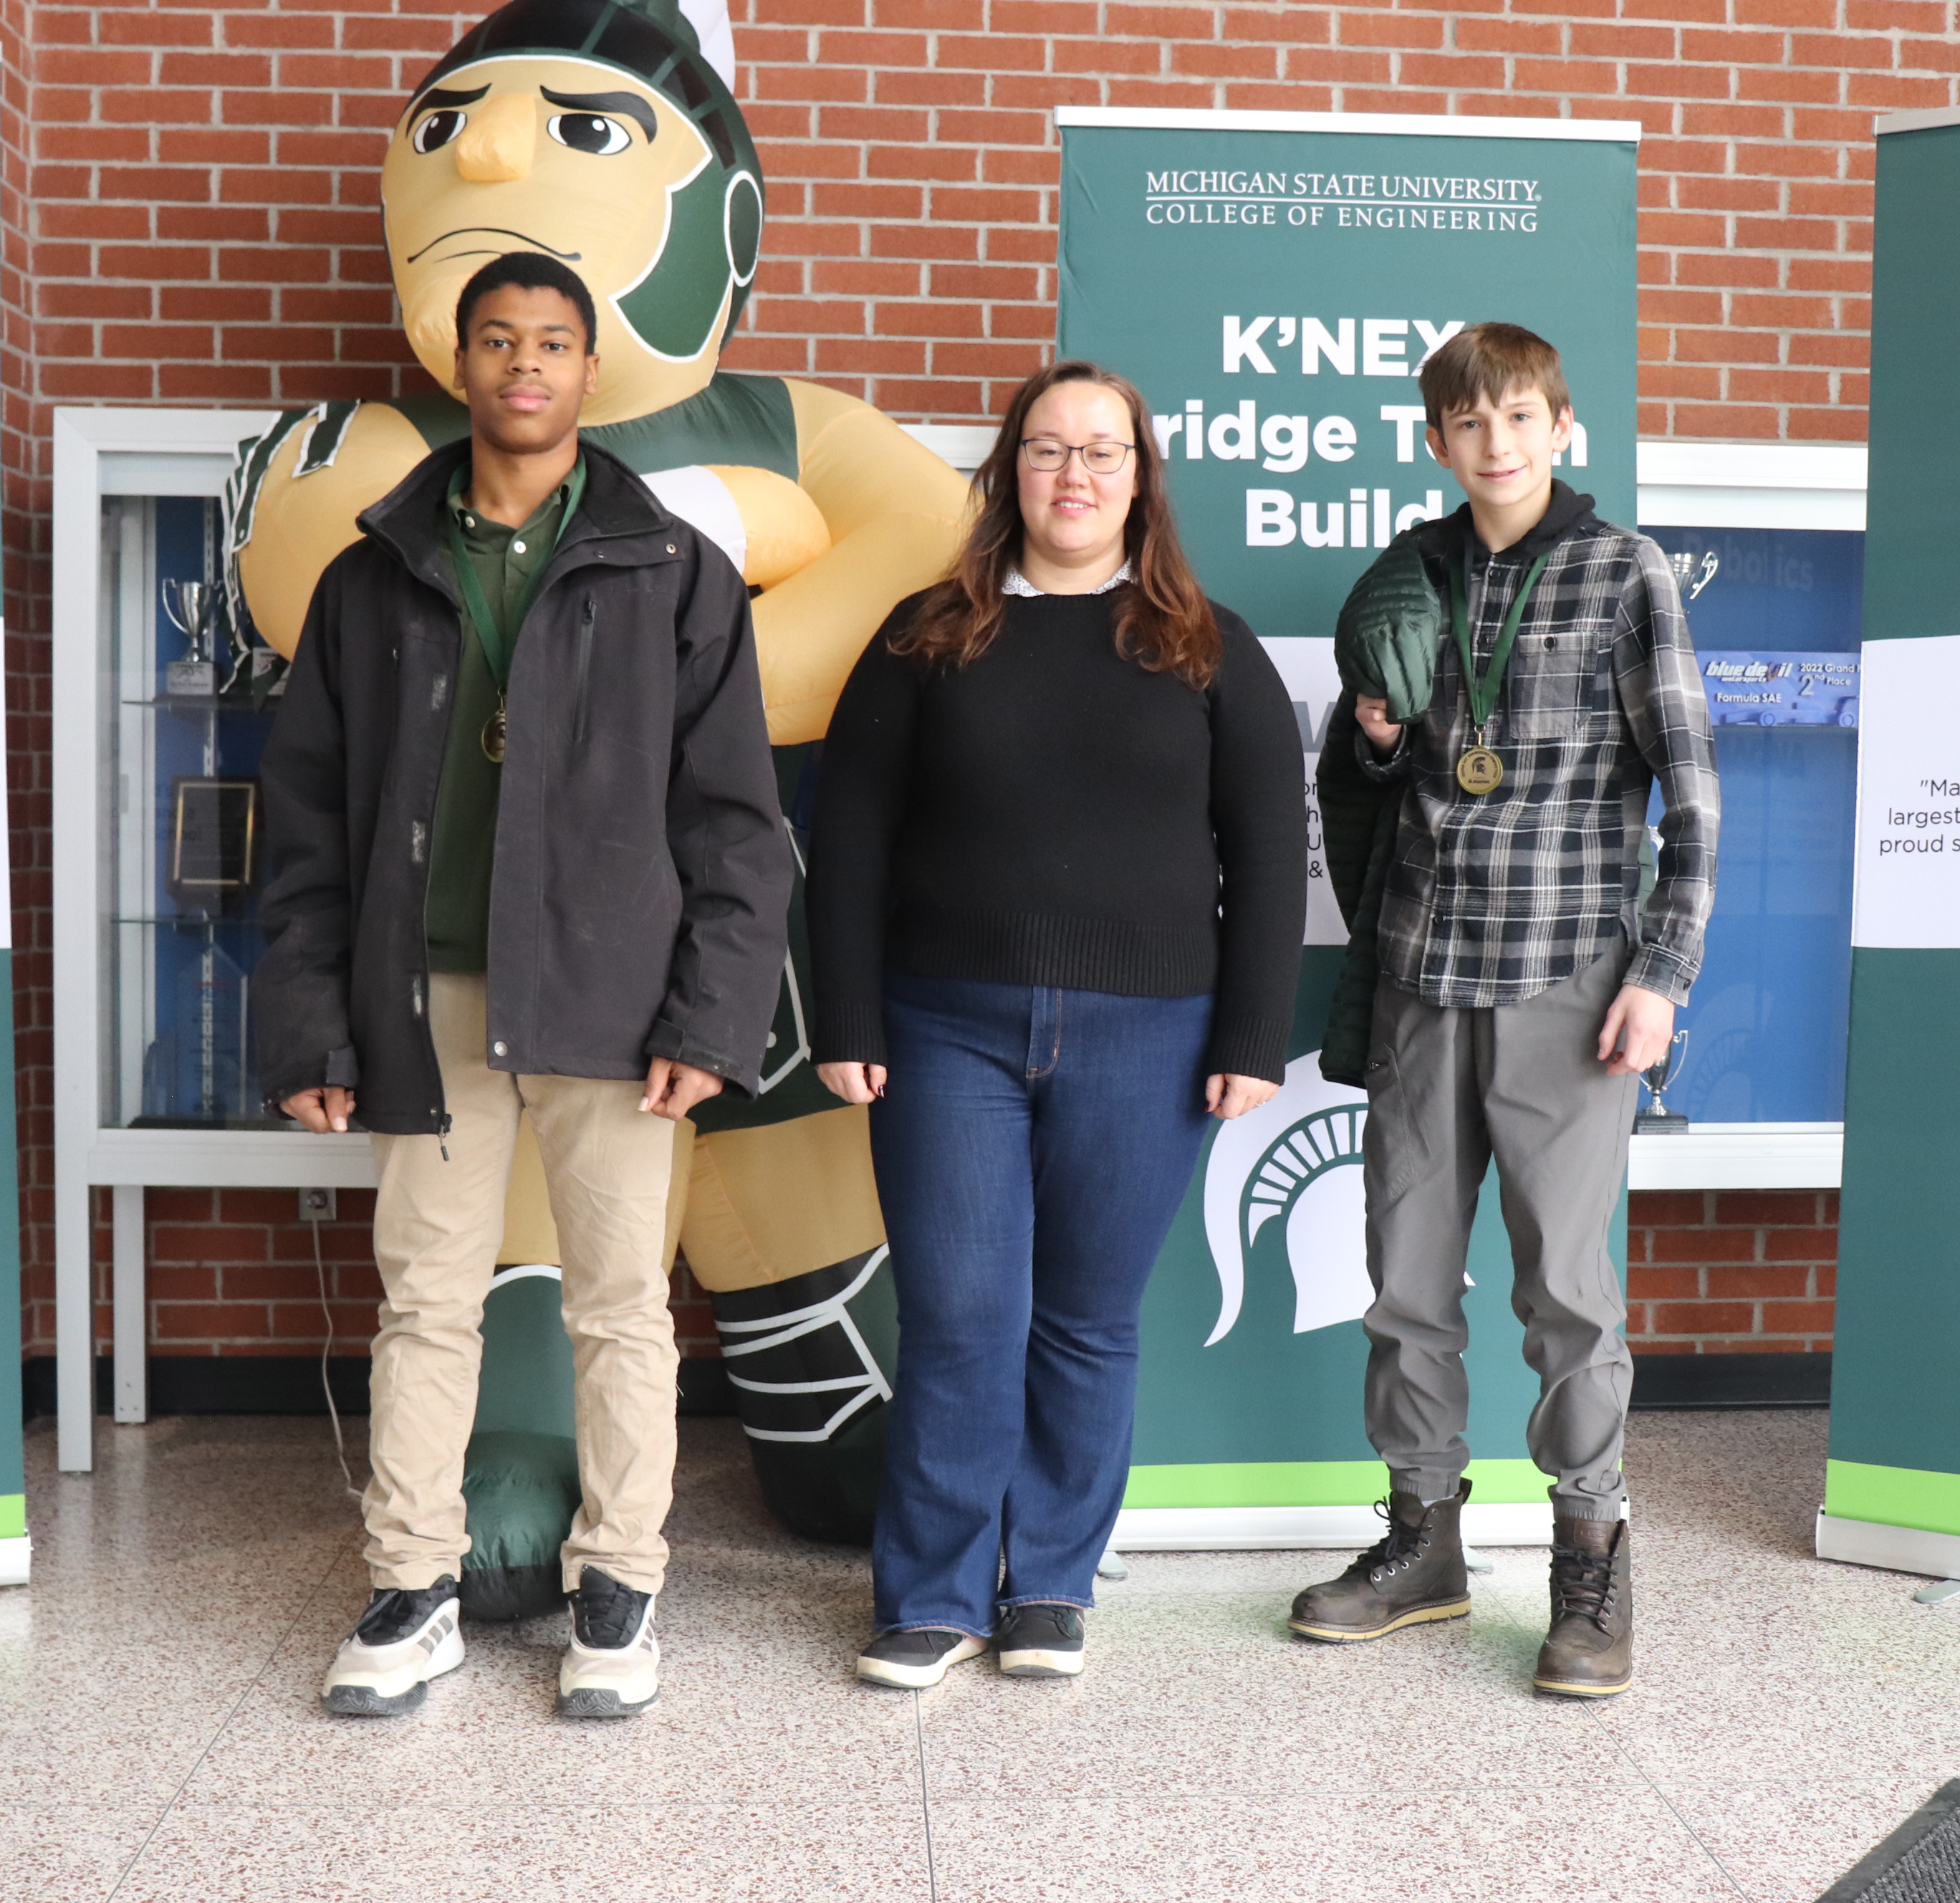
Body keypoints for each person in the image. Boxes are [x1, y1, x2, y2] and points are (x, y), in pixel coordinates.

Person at [254, 249, 792, 1721]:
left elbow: (735, 824)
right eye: (499, 341)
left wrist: (710, 1019)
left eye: (552, 343)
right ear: (462, 365)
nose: (526, 366)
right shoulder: (370, 575)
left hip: (614, 1002)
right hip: (424, 994)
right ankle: (411, 1586)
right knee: (427, 1301)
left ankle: (619, 1588)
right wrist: (309, 1022)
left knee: (621, 1306)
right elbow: (304, 822)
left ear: (590, 371)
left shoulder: (673, 570)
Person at [807, 361, 1307, 1689]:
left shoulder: (1208, 647)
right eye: (1046, 449)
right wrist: (846, 1013)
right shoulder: (928, 638)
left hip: (1152, 1038)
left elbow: (1270, 856)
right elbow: (847, 838)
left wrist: (1252, 1036)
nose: (1073, 474)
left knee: (1086, 1320)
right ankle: (931, 1595)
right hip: (944, 1032)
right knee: (960, 1319)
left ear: (1140, 480)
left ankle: (1049, 1586)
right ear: (1008, 472)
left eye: (1101, 451)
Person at [1288, 323, 1717, 1700]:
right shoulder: (1406, 576)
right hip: (1422, 971)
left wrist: (1661, 974)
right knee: (1407, 1284)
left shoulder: (1624, 572)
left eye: (1522, 417)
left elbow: (1693, 791)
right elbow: (1374, 777)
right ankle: (1424, 1544)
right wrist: (1371, 734)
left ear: (1561, 427)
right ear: (1438, 441)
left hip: (1568, 980)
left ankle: (1590, 1560)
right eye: (1470, 423)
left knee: (1566, 1296)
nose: (1498, 443)